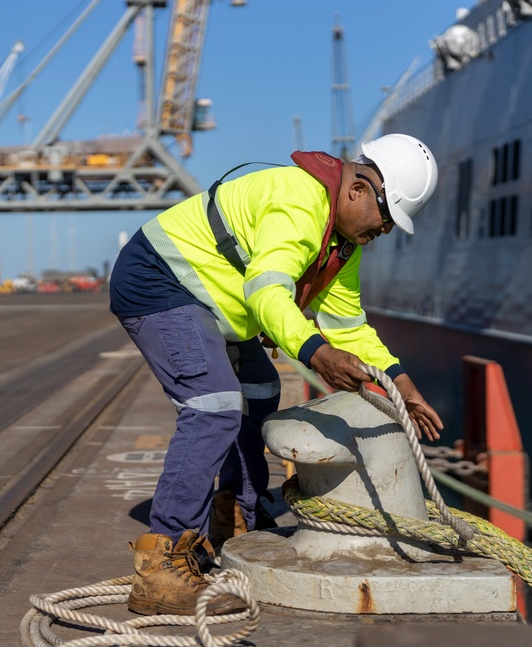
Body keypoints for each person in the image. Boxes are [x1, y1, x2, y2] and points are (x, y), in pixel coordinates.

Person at [108, 133, 443, 616]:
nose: (386, 231)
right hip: (162, 280)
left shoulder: (342, 246)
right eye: (387, 218)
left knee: (261, 389)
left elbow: (349, 326)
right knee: (214, 405)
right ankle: (162, 560)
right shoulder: (299, 201)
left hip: (215, 302)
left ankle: (235, 516)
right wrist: (315, 353)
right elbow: (268, 292)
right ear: (358, 191)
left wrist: (402, 384)